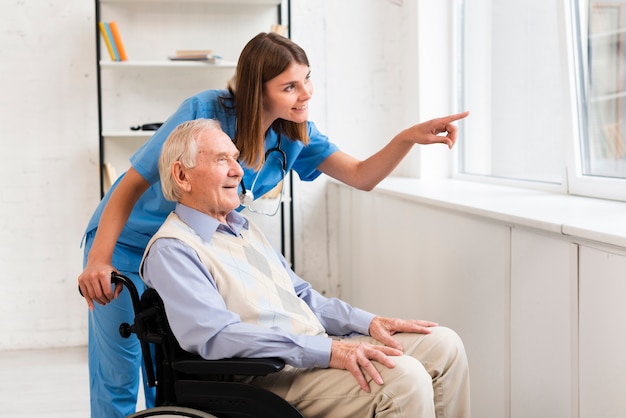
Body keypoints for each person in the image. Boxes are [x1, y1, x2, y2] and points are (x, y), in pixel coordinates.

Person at [78, 31, 470, 417]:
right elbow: (129, 185)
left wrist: (406, 138)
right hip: (127, 242)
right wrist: (100, 258)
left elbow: (362, 175)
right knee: (128, 369)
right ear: (258, 90)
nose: (307, 93)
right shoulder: (206, 113)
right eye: (290, 86)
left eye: (307, 79)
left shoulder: (293, 134)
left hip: (214, 240)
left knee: (164, 368)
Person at [141, 118, 471, 417]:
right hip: (268, 374)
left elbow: (301, 295)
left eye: (235, 157)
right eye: (220, 159)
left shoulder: (243, 227)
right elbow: (215, 335)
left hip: (313, 349)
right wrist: (326, 350)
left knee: (444, 344)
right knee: (404, 380)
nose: (238, 170)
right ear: (182, 176)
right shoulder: (173, 250)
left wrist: (369, 323)